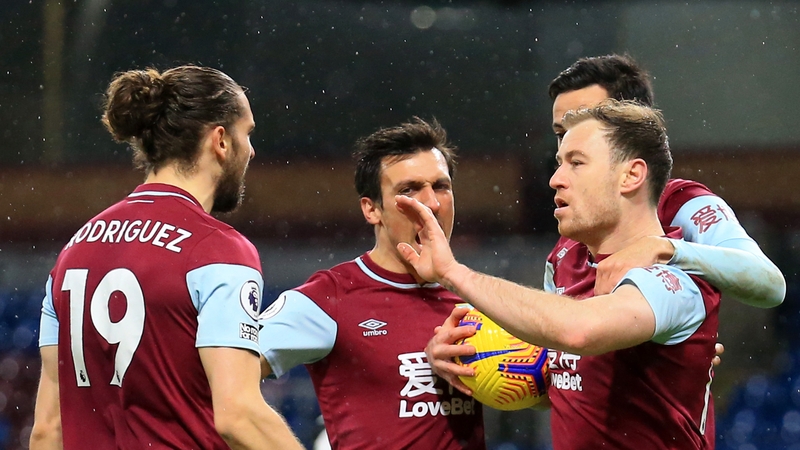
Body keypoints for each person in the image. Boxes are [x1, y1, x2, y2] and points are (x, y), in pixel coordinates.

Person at [398, 100, 721, 449]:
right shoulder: (569, 266)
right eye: (558, 164)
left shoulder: (672, 277)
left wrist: (452, 272)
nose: (555, 180)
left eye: (576, 163)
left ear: (631, 175)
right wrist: (467, 359)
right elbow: (570, 385)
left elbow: (579, 330)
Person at [29, 65, 303, 450]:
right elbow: (239, 415)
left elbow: (47, 428)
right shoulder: (217, 250)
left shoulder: (74, 252)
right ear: (220, 140)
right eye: (248, 133)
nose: (252, 150)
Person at [257, 117, 486, 449]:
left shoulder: (475, 298)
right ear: (371, 209)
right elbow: (221, 380)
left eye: (441, 186)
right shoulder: (330, 297)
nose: (432, 204)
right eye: (409, 190)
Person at [548, 54, 786, 306]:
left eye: (588, 122)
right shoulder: (569, 241)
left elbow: (769, 283)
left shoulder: (683, 203)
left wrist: (664, 250)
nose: (572, 139)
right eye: (561, 133)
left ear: (633, 121)